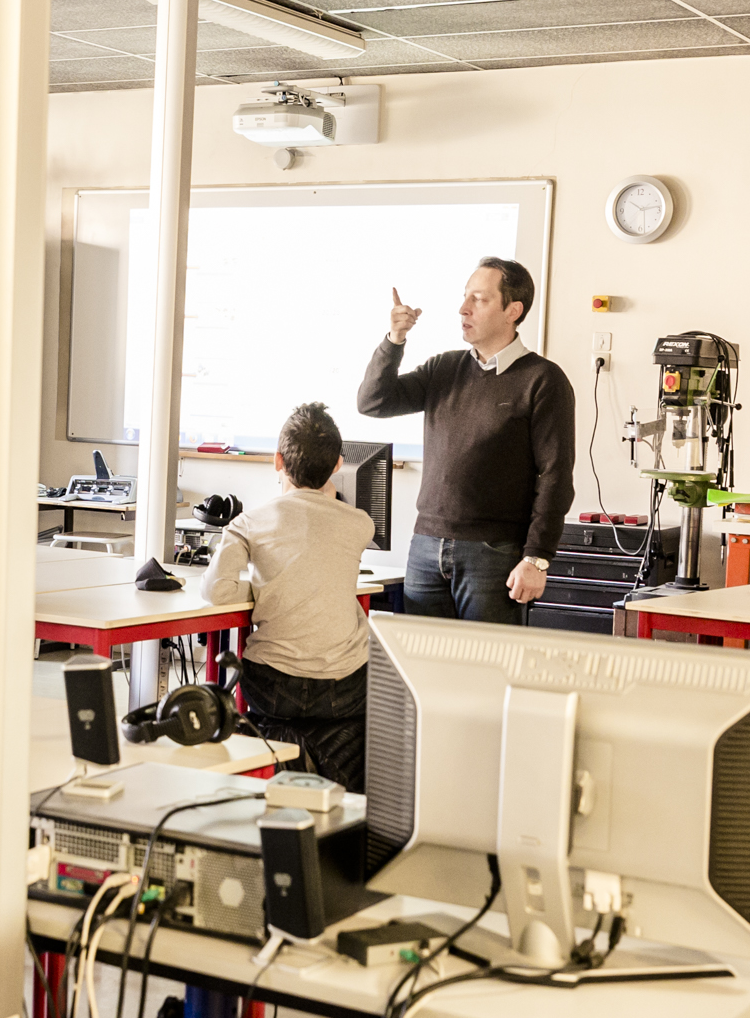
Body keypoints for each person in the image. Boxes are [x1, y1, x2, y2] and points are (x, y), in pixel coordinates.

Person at [354, 257, 573, 625]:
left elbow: (555, 476)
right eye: (464, 297)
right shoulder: (444, 368)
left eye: (480, 299)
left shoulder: (543, 380)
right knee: (422, 669)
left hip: (494, 553)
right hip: (426, 546)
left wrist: (536, 558)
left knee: (484, 669)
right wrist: (395, 340)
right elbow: (373, 401)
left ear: (512, 311)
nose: (463, 308)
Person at [204, 401, 373, 789]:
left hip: (273, 687)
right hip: (344, 688)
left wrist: (268, 588)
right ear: (337, 466)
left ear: (277, 460)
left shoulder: (247, 523)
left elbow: (217, 591)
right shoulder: (360, 523)